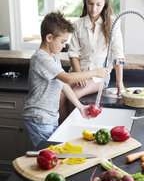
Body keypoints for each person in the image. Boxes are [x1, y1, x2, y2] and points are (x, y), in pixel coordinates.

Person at [22, 11, 108, 147]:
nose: (64, 46)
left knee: (54, 154)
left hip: (49, 118)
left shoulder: (53, 58)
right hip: (39, 119)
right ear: (49, 37)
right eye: (62, 42)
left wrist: (80, 107)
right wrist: (94, 72)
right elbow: (67, 78)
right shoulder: (40, 58)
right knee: (50, 155)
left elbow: (63, 85)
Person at [68, 0, 125, 99]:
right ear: (85, 2)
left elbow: (118, 54)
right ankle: (63, 119)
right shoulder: (78, 24)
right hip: (78, 71)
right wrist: (79, 75)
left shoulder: (113, 23)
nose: (94, 9)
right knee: (59, 94)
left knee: (73, 95)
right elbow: (73, 53)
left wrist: (119, 82)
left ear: (105, 4)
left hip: (99, 77)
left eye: (98, 4)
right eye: (90, 3)